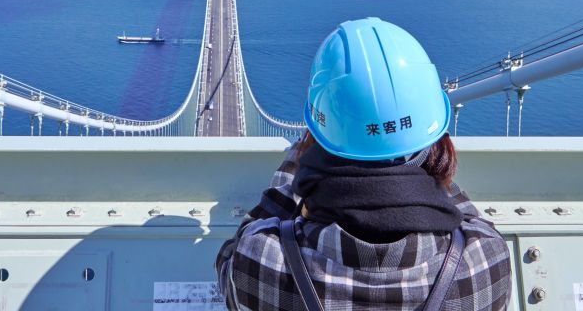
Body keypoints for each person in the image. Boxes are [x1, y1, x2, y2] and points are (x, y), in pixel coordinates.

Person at [216, 18, 511, 311]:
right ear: (432, 139)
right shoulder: (484, 261)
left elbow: (229, 260)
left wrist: (298, 168)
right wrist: (423, 168)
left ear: (319, 141)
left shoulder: (262, 260)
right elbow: (467, 218)